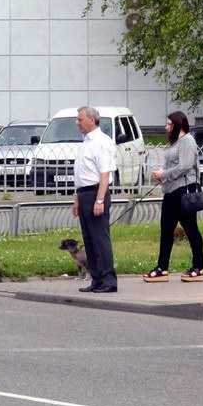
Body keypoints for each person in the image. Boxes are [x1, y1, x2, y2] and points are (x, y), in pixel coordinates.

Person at [144, 111, 203, 283]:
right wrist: (163, 175)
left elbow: (185, 166)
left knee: (191, 228)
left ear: (178, 124)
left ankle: (199, 266)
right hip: (171, 191)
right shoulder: (176, 142)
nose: (166, 127)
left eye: (169, 124)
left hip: (184, 191)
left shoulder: (188, 141)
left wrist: (163, 174)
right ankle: (162, 267)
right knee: (166, 230)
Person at [70, 106, 118, 293]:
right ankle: (96, 278)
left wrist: (99, 201)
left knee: (100, 240)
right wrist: (77, 199)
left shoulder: (101, 142)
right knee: (89, 240)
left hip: (96, 193)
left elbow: (104, 174)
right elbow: (82, 175)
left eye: (80, 120)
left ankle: (109, 280)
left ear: (92, 120)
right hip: (84, 194)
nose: (77, 123)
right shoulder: (86, 142)